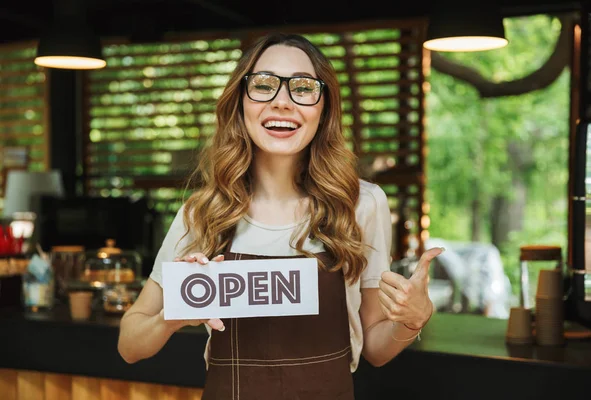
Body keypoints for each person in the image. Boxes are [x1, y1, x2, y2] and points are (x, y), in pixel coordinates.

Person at [117, 32, 443, 399]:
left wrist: (413, 318)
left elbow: (376, 349)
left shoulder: (361, 204)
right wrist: (174, 314)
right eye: (264, 85)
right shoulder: (205, 211)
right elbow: (130, 344)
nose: (283, 102)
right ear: (240, 102)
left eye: (303, 88)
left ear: (324, 109)